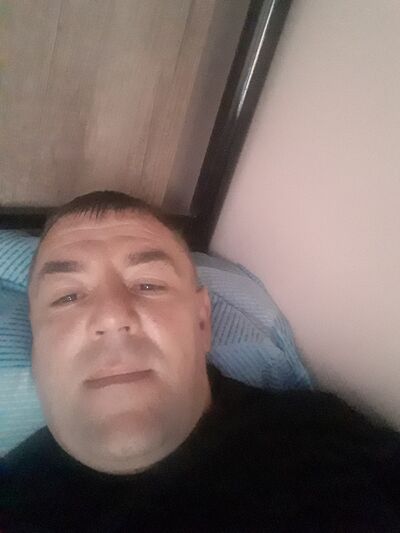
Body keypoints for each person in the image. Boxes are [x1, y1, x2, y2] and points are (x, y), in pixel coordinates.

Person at [1, 190, 399, 532]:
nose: (112, 316)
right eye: (67, 296)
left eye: (148, 284)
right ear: (35, 340)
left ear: (202, 321)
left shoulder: (325, 435)